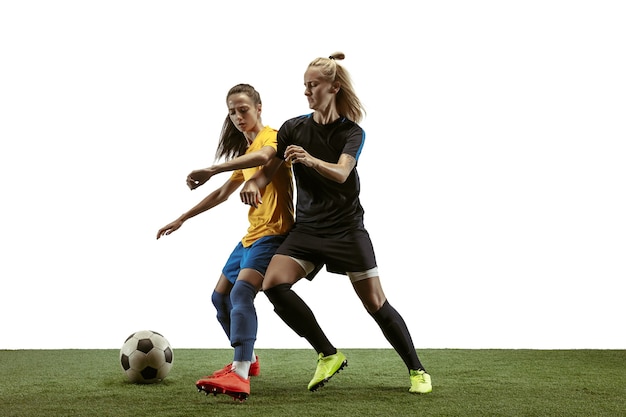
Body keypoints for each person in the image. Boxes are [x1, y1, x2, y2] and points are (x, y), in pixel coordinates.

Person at [240, 53, 432, 394]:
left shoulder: (352, 133)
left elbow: (343, 173)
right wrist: (255, 183)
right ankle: (328, 354)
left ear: (333, 87)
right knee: (273, 285)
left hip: (346, 230)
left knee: (376, 304)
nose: (307, 92)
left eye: (313, 86)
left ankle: (417, 371)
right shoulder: (293, 128)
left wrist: (311, 160)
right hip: (308, 230)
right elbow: (269, 168)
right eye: (305, 86)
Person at [157, 84, 294, 401]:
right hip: (251, 235)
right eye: (232, 111)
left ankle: (241, 370)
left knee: (243, 292)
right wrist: (182, 218)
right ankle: (251, 359)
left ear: (259, 107)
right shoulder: (245, 154)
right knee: (220, 299)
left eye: (243, 109)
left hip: (274, 232)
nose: (237, 116)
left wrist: (213, 167)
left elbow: (265, 156)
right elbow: (222, 193)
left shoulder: (271, 137)